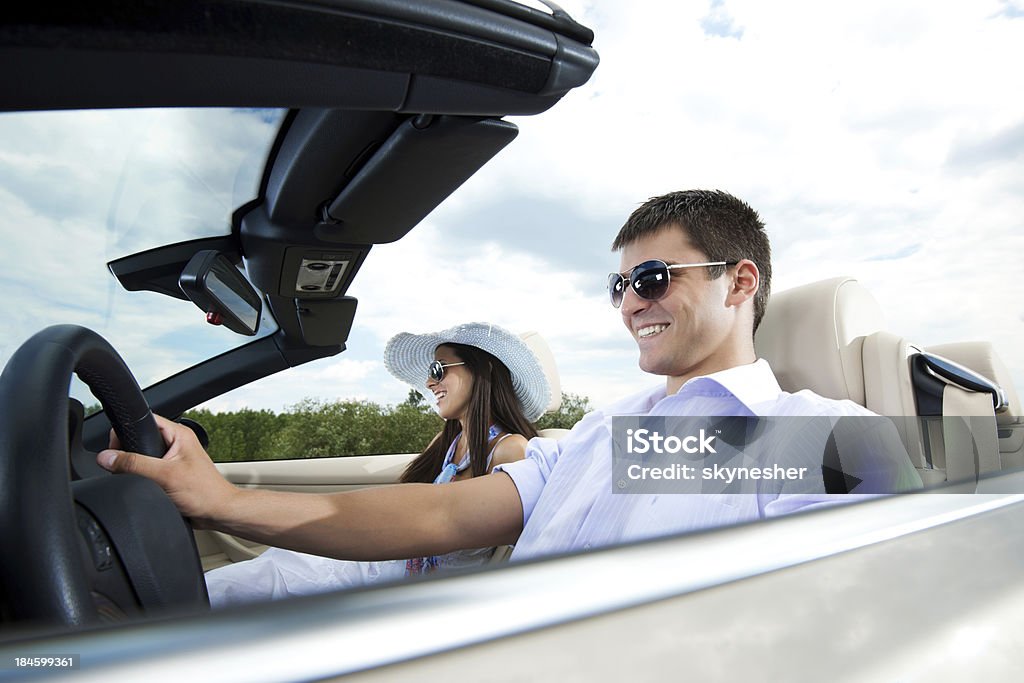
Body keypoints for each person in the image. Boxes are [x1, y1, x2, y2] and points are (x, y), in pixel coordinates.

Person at [98, 189, 921, 567]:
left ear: (739, 283)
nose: (631, 305)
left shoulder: (820, 439)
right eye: (619, 286)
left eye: (653, 278)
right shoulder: (608, 432)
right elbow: (443, 511)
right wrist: (225, 501)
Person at [203, 322, 548, 605]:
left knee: (262, 580)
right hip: (388, 566)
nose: (430, 382)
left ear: (483, 369)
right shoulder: (448, 442)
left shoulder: (510, 450)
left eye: (438, 369)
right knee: (273, 566)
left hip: (415, 594)